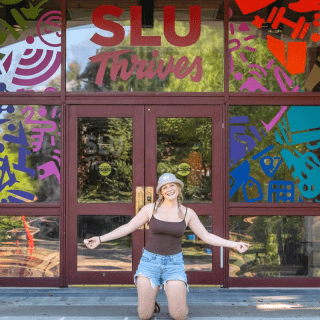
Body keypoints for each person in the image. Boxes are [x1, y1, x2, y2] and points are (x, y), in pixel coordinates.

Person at [84, 173, 251, 320]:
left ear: (178, 187)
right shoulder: (150, 209)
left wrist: (234, 244)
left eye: (172, 185)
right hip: (149, 263)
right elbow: (127, 227)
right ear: (160, 192)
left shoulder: (188, 213)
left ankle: (174, 300)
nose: (169, 189)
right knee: (144, 315)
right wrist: (100, 238)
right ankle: (151, 300)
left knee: (178, 315)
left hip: (174, 265)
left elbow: (206, 236)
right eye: (165, 187)